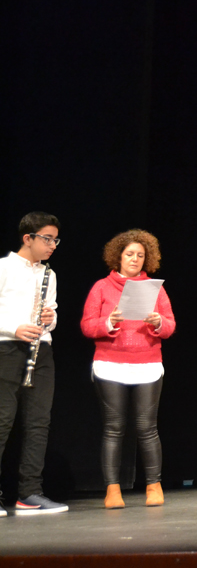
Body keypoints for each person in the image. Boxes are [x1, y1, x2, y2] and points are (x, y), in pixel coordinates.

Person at [80, 229, 176, 508]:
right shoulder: (101, 287)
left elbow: (170, 325)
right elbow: (87, 325)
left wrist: (158, 322)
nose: (135, 259)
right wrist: (108, 322)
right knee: (114, 428)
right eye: (130, 254)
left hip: (147, 364)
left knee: (147, 428)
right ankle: (112, 490)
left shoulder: (155, 289)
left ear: (147, 259)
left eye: (140, 255)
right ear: (118, 257)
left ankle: (154, 486)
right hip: (110, 364)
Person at [0, 212, 67, 515]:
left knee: (39, 422)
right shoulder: (3, 268)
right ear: (28, 238)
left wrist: (51, 319)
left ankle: (29, 493)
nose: (53, 245)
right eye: (47, 239)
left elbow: (51, 314)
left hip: (41, 352)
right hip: (6, 349)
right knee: (3, 420)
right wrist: (13, 328)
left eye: (55, 240)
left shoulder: (49, 274)